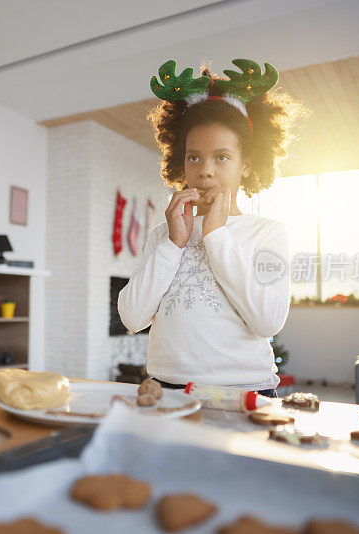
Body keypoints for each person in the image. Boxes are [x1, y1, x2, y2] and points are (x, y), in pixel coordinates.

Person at [118, 59, 304, 396]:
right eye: (193, 157)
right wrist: (174, 243)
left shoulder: (267, 232)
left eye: (221, 157)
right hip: (168, 390)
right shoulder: (164, 234)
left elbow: (268, 321)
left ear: (246, 164)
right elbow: (132, 318)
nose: (204, 170)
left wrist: (216, 234)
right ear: (180, 161)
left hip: (245, 392)